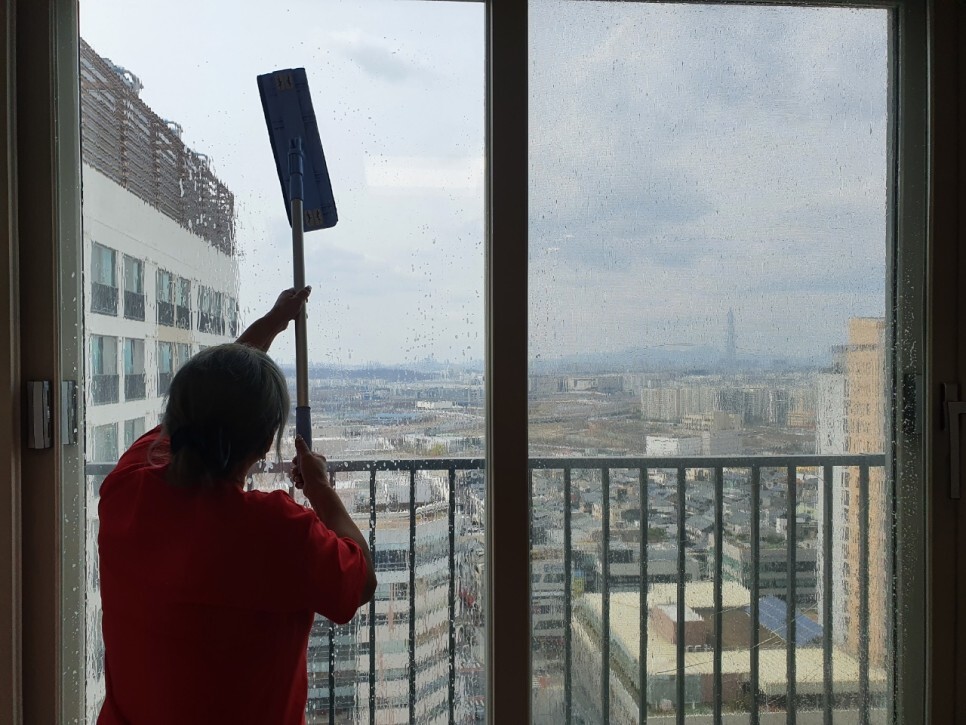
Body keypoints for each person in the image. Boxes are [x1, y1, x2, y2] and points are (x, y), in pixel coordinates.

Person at [96, 287, 377, 725]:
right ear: (265, 444)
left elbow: (206, 400)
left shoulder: (125, 491)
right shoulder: (277, 532)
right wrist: (320, 488)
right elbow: (360, 583)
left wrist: (272, 322)